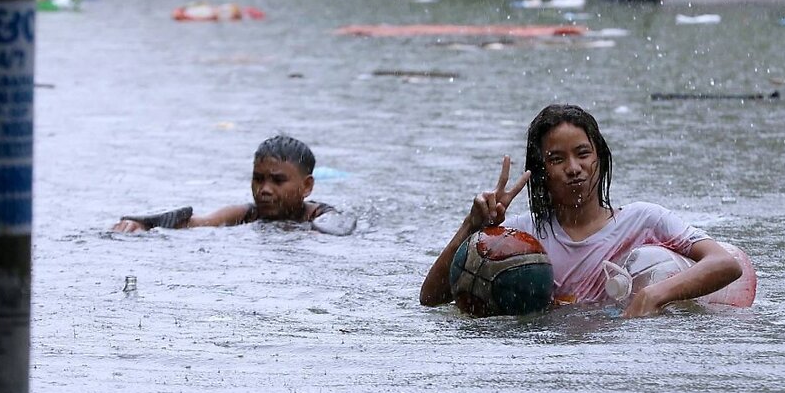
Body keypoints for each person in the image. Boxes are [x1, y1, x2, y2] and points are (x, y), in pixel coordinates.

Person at [420, 103, 743, 317]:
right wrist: (473, 227)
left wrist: (655, 295)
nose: (574, 168)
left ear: (599, 158)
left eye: (583, 153)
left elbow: (724, 264)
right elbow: (431, 299)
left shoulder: (644, 220)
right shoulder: (517, 238)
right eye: (557, 159)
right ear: (541, 171)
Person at [112, 134, 356, 236]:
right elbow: (195, 222)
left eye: (278, 180)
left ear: (307, 187)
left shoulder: (322, 217)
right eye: (258, 179)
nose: (265, 189)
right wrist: (142, 224)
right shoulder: (246, 214)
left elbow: (339, 231)